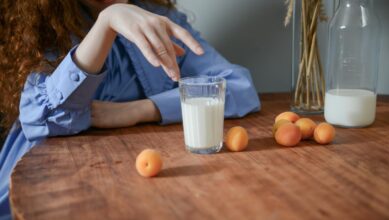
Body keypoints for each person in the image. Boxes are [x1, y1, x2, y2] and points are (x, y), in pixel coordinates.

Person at [0, 0, 260, 218]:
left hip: (134, 183)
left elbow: (238, 86)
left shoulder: (158, 18)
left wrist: (142, 110)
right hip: (37, 191)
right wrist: (107, 23)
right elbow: (47, 120)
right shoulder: (49, 24)